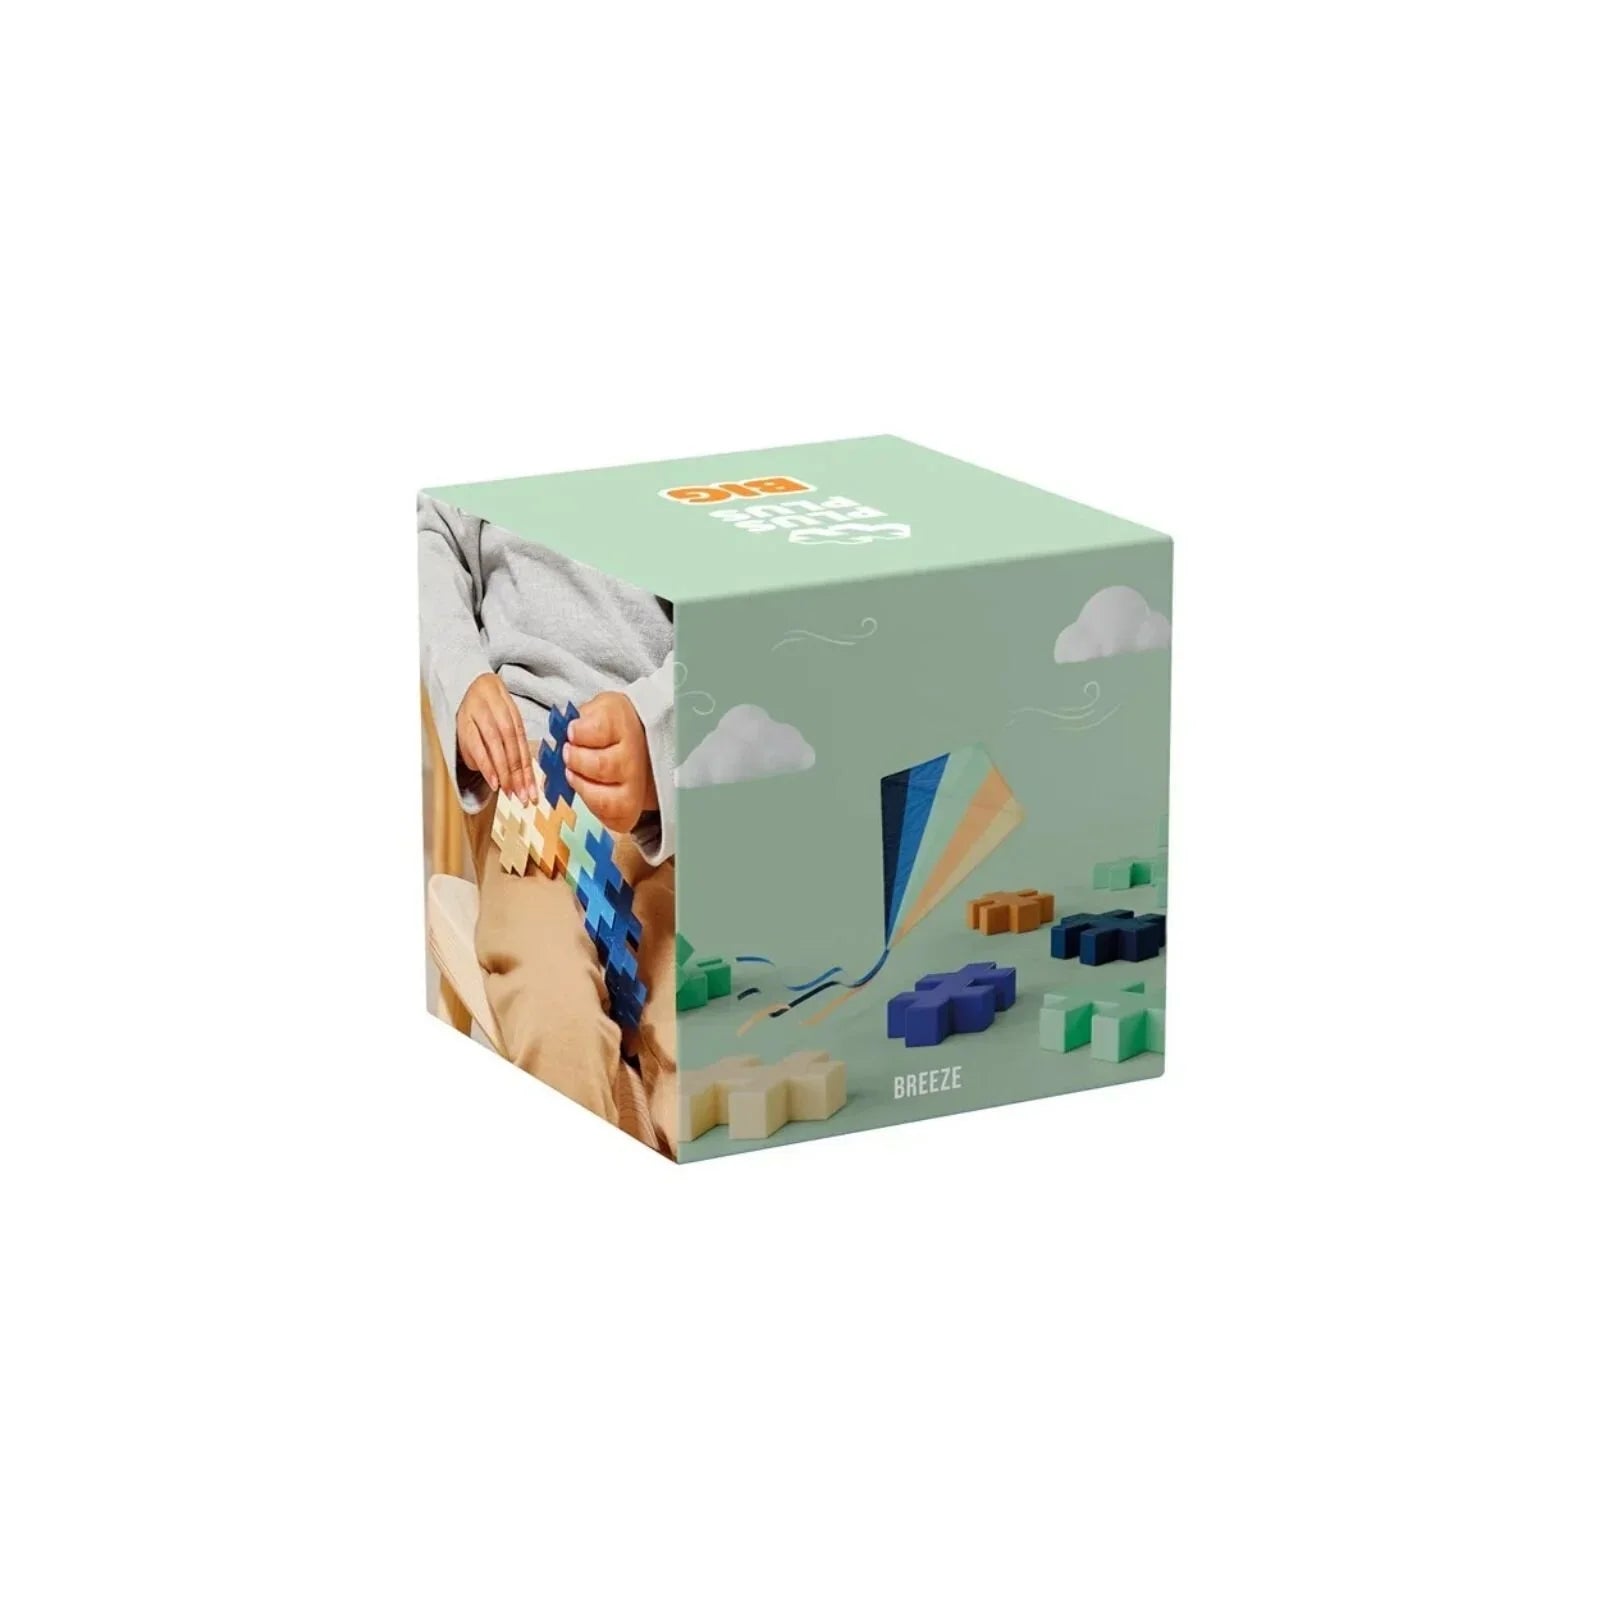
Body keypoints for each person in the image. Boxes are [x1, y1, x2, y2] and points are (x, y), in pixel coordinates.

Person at [418, 494, 678, 1153]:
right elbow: (431, 534)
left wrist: (660, 731)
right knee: (556, 1010)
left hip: (673, 793)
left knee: (707, 1034)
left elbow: (750, 609)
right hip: (529, 777)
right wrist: (463, 674)